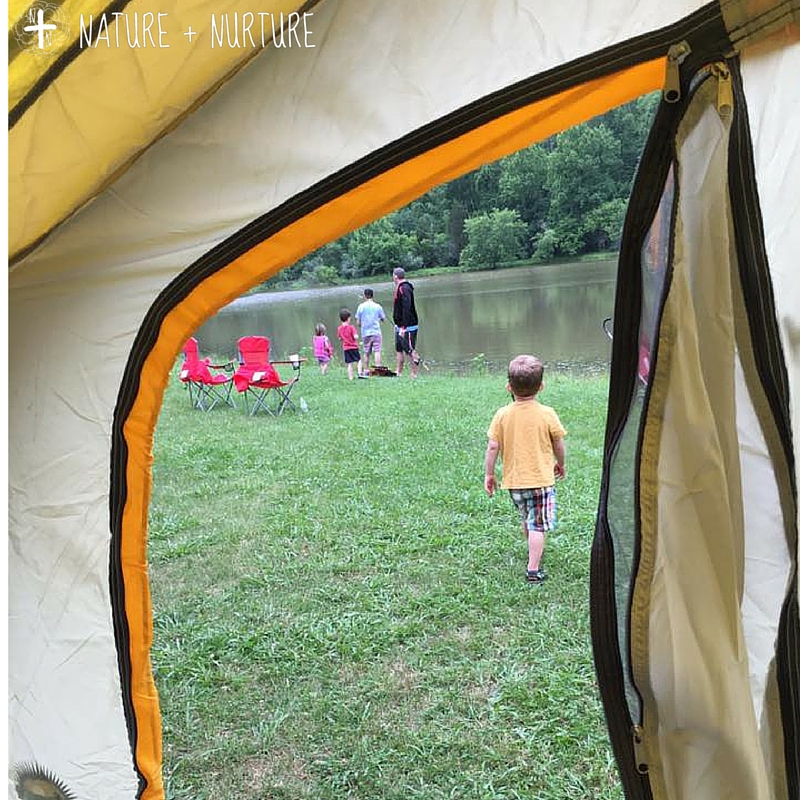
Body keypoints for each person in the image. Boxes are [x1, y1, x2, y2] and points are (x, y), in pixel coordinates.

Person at [484, 355, 567, 584]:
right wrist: (561, 463)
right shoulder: (547, 413)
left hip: (514, 482)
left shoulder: (502, 414)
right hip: (540, 480)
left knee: (528, 518)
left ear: (509, 387)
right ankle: (533, 569)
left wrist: (489, 474)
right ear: (541, 387)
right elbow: (558, 443)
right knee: (538, 524)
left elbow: (493, 446)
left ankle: (534, 548)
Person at [392, 267, 420, 378]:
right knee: (399, 349)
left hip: (408, 326)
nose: (392, 278)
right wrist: (397, 324)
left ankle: (414, 373)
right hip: (399, 326)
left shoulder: (405, 288)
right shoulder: (399, 287)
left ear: (395, 276)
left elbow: (406, 307)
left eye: (393, 275)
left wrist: (404, 327)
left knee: (409, 349)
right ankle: (398, 372)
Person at [355, 288, 386, 373]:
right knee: (377, 351)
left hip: (365, 333)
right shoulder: (378, 306)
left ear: (365, 296)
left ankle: (365, 370)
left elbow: (358, 323)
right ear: (372, 295)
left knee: (366, 351)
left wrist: (363, 325)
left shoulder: (360, 307)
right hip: (376, 332)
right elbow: (384, 319)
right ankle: (378, 369)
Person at [336, 308, 365, 380]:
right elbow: (355, 337)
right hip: (354, 347)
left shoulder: (339, 328)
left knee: (349, 363)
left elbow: (340, 338)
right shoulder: (351, 327)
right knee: (359, 360)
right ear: (348, 318)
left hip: (346, 348)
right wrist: (357, 336)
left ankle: (350, 377)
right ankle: (360, 373)